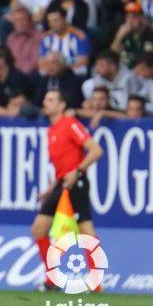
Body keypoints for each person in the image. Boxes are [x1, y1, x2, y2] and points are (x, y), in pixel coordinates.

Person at [31, 89, 104, 292]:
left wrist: (78, 171)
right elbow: (62, 166)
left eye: (51, 99)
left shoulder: (70, 124)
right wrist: (50, 188)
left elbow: (96, 150)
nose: (46, 102)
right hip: (62, 184)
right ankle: (52, 278)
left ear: (62, 105)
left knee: (85, 230)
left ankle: (96, 283)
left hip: (76, 183)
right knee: (39, 228)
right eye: (45, 99)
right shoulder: (52, 130)